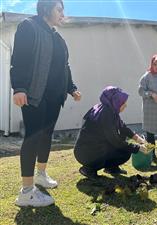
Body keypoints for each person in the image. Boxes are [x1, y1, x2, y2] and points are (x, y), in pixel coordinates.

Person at [11, 0, 82, 207]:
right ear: (45, 9)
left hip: (54, 97)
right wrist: (19, 87)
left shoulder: (58, 38)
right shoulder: (29, 26)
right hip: (34, 94)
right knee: (33, 137)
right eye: (59, 9)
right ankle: (26, 192)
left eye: (63, 10)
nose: (62, 13)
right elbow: (20, 59)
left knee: (46, 135)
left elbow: (64, 67)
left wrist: (71, 88)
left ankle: (41, 175)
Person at [74, 86, 149, 179]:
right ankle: (88, 169)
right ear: (115, 101)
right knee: (124, 149)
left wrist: (137, 138)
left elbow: (122, 127)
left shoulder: (109, 109)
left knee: (124, 151)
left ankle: (111, 168)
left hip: (92, 148)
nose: (125, 105)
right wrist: (138, 148)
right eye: (123, 103)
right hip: (87, 152)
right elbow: (115, 140)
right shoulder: (106, 114)